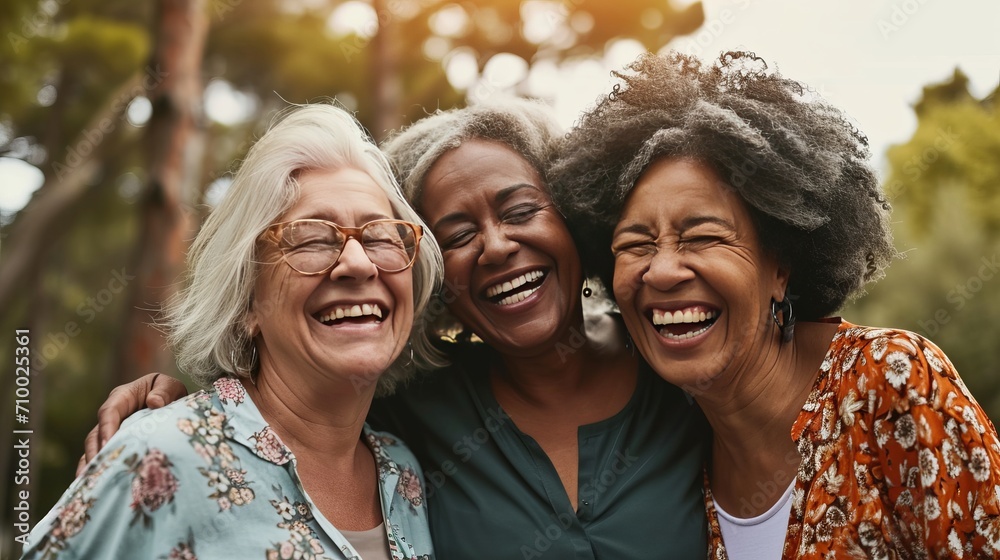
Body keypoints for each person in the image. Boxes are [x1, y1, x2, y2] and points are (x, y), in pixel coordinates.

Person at [77, 98, 709, 558]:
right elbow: (282, 402)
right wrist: (169, 404)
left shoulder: (686, 372)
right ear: (434, 282)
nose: (495, 246)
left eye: (521, 210)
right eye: (457, 235)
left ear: (574, 221)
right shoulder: (409, 417)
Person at [551, 50, 1000, 558]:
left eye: (702, 237)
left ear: (780, 268)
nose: (663, 270)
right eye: (635, 245)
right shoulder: (671, 442)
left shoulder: (892, 382)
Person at [22, 104, 439, 559]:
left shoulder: (404, 470)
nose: (358, 263)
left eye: (379, 235)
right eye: (313, 238)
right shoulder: (159, 454)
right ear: (246, 303)